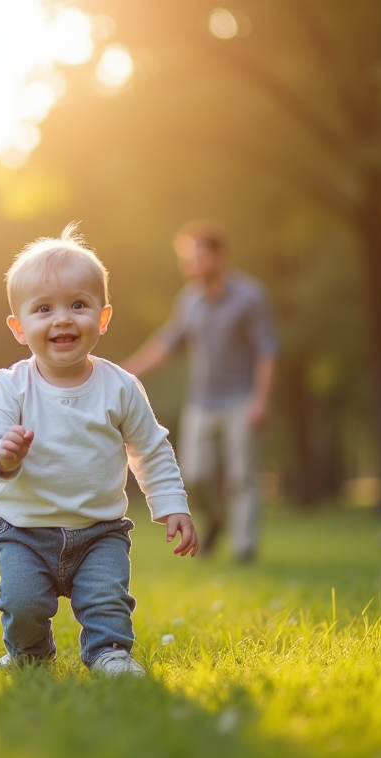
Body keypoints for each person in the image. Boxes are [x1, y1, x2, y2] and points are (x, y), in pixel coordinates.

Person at [0, 223, 198, 677]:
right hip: (25, 529)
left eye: (78, 305)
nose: (63, 319)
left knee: (107, 598)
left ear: (103, 318)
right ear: (19, 327)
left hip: (100, 530)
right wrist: (2, 457)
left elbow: (150, 449)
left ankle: (110, 652)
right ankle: (29, 653)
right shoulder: (11, 385)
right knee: (21, 602)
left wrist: (171, 505)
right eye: (43, 309)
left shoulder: (120, 387)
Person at [122, 220, 276, 563]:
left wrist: (261, 401)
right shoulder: (189, 300)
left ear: (218, 256)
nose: (187, 265)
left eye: (194, 257)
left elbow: (267, 351)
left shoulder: (251, 297)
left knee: (242, 477)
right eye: (185, 258)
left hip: (242, 399)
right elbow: (167, 344)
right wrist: (124, 370)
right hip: (202, 403)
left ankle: (244, 547)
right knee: (195, 474)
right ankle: (217, 518)